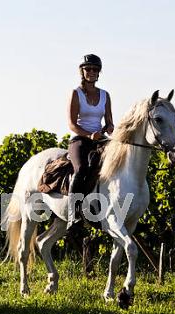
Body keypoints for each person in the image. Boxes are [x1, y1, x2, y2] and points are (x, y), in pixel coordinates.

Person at [66, 54, 114, 230]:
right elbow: (72, 124)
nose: (92, 72)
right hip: (80, 139)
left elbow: (109, 121)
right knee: (81, 169)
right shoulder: (75, 93)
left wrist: (109, 127)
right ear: (82, 71)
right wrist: (88, 135)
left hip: (100, 139)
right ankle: (74, 214)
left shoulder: (105, 95)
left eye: (95, 69)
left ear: (99, 72)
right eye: (88, 69)